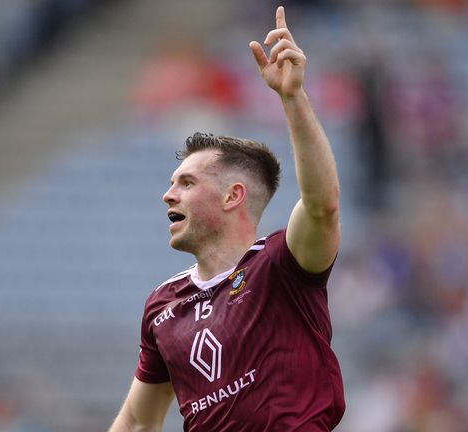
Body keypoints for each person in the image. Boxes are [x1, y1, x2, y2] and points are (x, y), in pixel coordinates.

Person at [108, 6, 344, 431]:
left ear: (233, 196)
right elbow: (138, 422)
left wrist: (292, 98)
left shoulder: (281, 265)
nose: (168, 194)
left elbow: (321, 205)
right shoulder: (164, 305)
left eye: (186, 182)